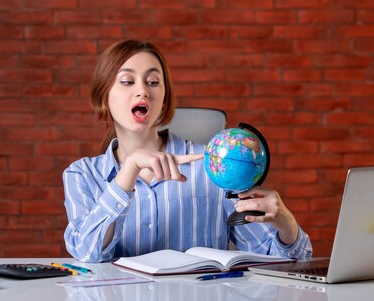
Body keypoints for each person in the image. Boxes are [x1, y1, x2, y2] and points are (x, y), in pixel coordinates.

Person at [63, 39, 312, 262]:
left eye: (153, 82)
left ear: (164, 101)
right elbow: (86, 252)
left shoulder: (217, 165)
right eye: (127, 81)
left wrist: (287, 225)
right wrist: (129, 171)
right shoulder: (82, 175)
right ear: (104, 97)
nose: (142, 91)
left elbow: (281, 259)